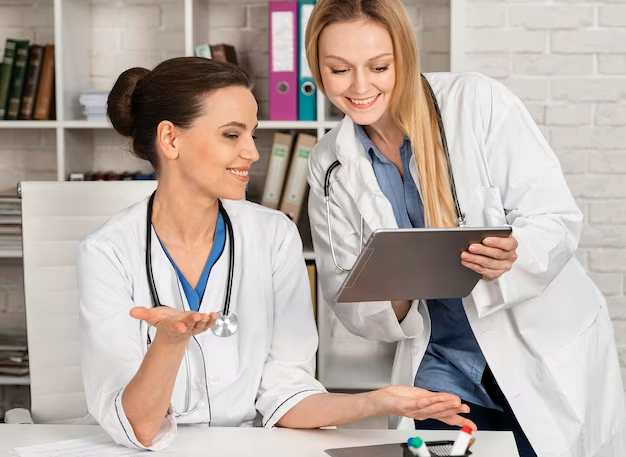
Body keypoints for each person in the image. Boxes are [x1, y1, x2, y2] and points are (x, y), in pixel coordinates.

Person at [76, 56, 476, 451]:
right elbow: (139, 428)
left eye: (252, 133)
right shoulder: (107, 252)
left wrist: (375, 401)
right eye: (232, 135)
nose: (252, 152)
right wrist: (167, 343)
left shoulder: (274, 235)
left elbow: (287, 394)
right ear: (170, 139)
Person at [304, 1, 626, 457]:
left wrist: (516, 252)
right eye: (339, 70)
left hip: (536, 344)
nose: (360, 87)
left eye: (379, 66)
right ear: (318, 68)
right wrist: (390, 289)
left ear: (405, 56)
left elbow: (554, 218)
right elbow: (347, 294)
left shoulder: (476, 102)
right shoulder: (329, 163)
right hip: (441, 360)